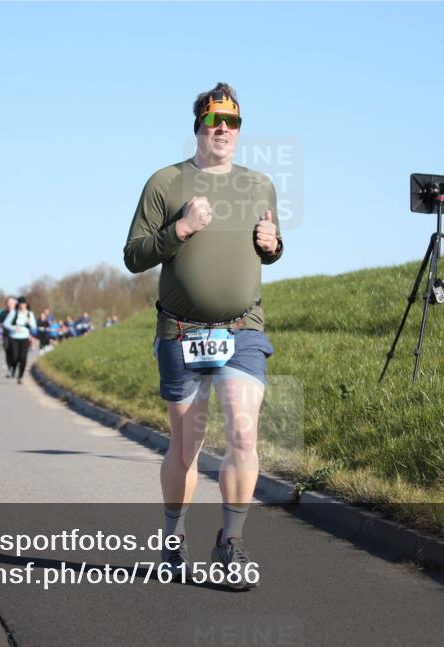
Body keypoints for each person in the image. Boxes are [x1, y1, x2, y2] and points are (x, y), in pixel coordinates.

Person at [123, 83, 283, 588]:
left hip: (243, 329)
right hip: (181, 331)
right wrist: (183, 228)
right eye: (214, 120)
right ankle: (174, 541)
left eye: (232, 122)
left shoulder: (259, 184)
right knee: (186, 445)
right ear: (198, 125)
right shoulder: (165, 182)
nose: (222, 129)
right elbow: (133, 256)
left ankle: (231, 544)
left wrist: (274, 245)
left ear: (239, 131)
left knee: (242, 432)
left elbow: (270, 246)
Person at [2, 296, 37, 384]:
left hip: (25, 338)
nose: (22, 306)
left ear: (26, 304)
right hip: (14, 338)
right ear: (18, 304)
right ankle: (13, 368)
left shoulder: (30, 314)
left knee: (23, 358)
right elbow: (5, 324)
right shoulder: (14, 313)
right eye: (21, 304)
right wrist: (13, 328)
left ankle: (20, 376)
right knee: (15, 357)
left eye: (24, 304)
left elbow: (34, 327)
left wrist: (30, 324)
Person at [0, 296, 17, 378]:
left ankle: (14, 367)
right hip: (6, 336)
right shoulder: (3, 313)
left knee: (14, 353)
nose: (10, 304)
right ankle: (9, 367)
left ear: (15, 303)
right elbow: (0, 325)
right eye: (8, 302)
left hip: (16, 336)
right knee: (7, 352)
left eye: (11, 302)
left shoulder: (18, 313)